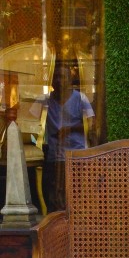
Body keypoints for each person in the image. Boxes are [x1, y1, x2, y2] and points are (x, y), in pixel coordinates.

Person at [31, 62, 96, 211]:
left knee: (77, 194)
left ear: (70, 80)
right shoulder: (44, 100)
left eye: (63, 77)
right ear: (51, 81)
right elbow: (30, 122)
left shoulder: (80, 98)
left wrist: (70, 129)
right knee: (56, 195)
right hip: (54, 155)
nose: (59, 81)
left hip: (78, 154)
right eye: (56, 77)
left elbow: (92, 125)